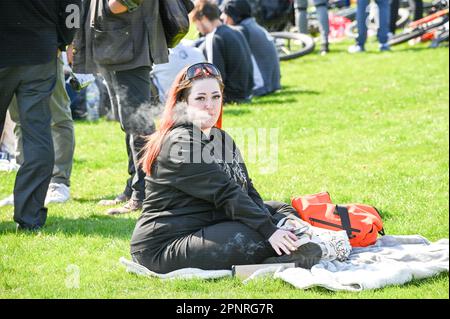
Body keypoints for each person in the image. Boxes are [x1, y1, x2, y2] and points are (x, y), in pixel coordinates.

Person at [129, 63, 325, 273]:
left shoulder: (221, 138)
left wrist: (273, 223)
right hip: (166, 244)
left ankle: (289, 245)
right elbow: (225, 193)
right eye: (200, 98)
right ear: (183, 102)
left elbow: (246, 189)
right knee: (256, 234)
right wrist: (269, 230)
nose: (210, 106)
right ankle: (281, 254)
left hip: (211, 221)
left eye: (215, 97)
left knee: (279, 208)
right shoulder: (180, 144)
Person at [72, 0, 169, 214]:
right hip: (115, 44)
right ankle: (134, 187)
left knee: (139, 125)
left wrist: (109, 9)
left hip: (128, 45)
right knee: (129, 124)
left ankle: (145, 193)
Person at [0, 0, 80, 231]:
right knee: (38, 135)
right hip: (40, 50)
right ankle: (30, 216)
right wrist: (63, 40)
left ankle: (30, 212)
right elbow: (72, 8)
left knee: (37, 135)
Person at [0, 54, 76, 207]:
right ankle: (26, 187)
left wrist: (65, 42)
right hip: (8, 54)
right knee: (18, 120)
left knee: (58, 116)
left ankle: (59, 181)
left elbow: (70, 29)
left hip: (44, 50)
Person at [190, 0, 254, 104]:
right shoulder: (237, 31)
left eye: (196, 24)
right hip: (246, 93)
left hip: (230, 96)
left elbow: (215, 76)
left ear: (203, 18)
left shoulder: (214, 38)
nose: (197, 29)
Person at [220, 0, 281, 96]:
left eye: (225, 13)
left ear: (233, 15)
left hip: (261, 87)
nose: (222, 17)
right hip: (272, 84)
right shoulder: (253, 26)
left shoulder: (242, 30)